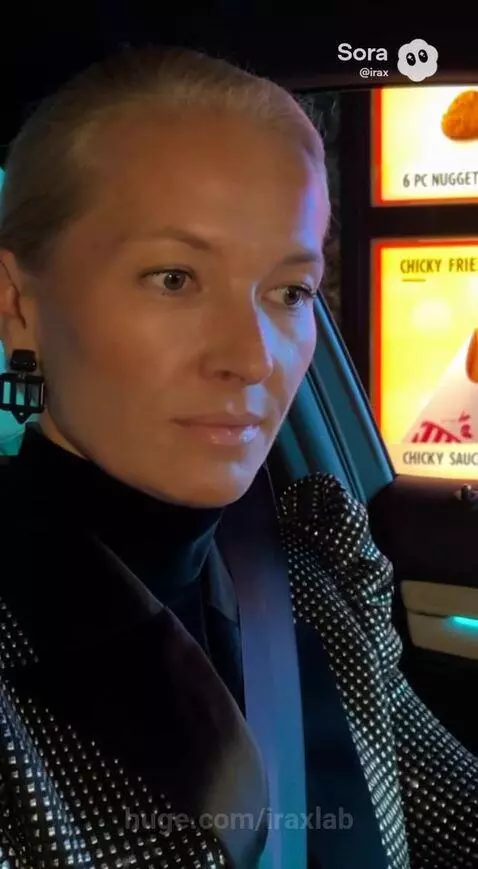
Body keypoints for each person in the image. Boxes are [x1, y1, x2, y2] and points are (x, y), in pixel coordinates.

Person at [0, 46, 475, 869]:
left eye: (289, 291)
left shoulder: (313, 568)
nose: (252, 358)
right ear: (16, 305)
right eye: (174, 277)